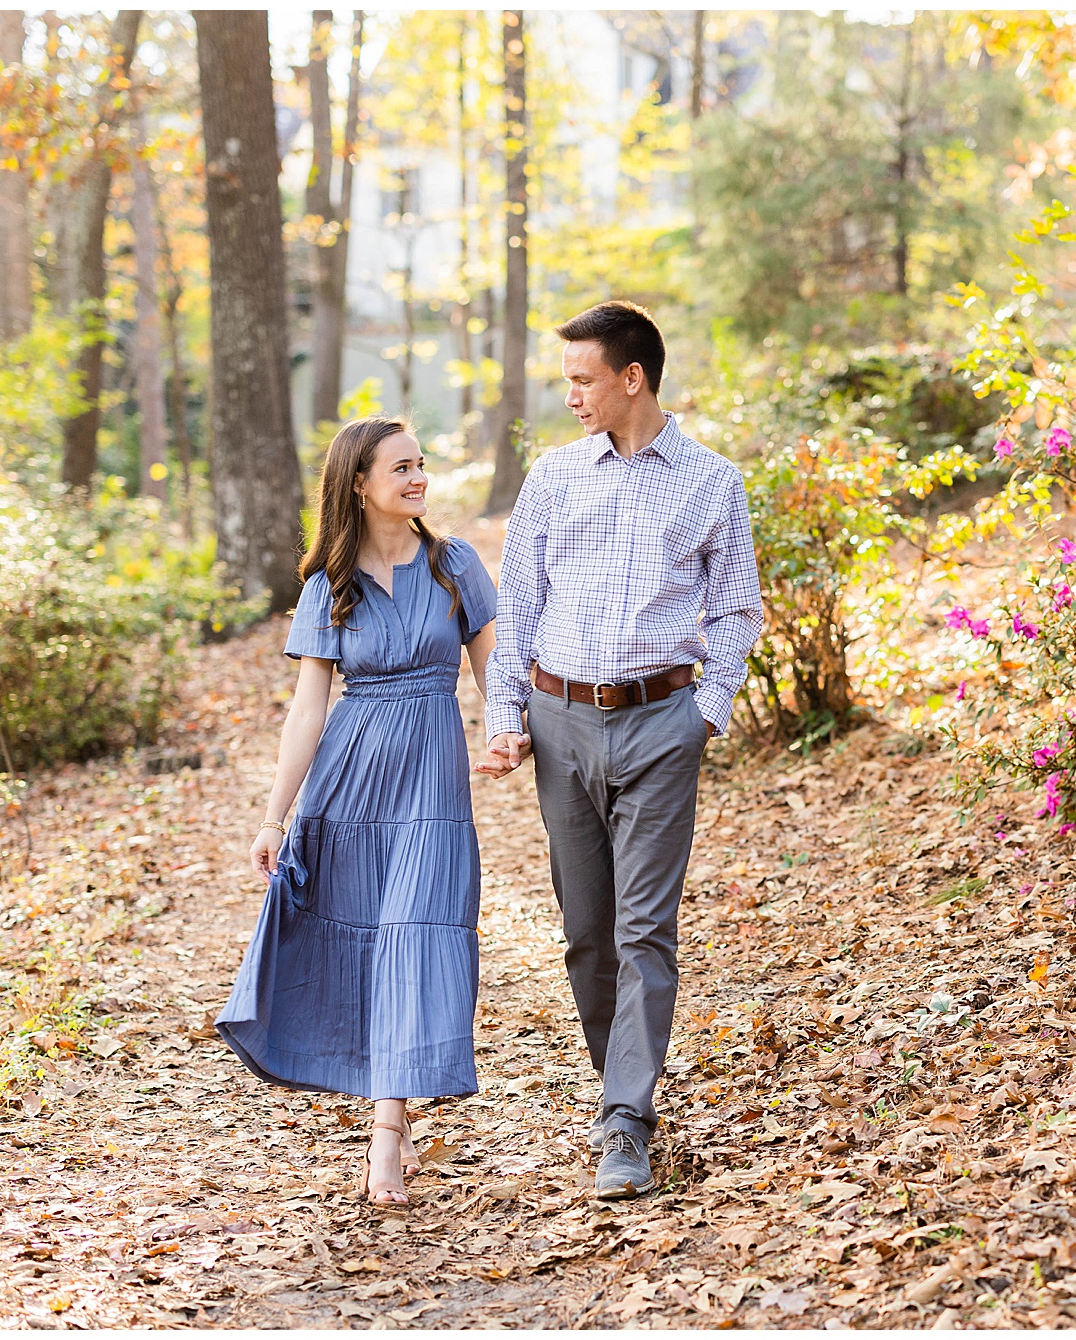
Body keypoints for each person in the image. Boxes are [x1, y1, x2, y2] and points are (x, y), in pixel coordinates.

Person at [477, 300, 764, 1199]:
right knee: (585, 935)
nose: (570, 395)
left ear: (631, 378)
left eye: (582, 379)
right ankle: (621, 1083)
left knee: (645, 929)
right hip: (561, 728)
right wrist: (503, 716)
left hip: (659, 724)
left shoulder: (713, 483)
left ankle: (625, 1123)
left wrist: (703, 715)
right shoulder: (554, 477)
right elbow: (515, 605)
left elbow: (737, 609)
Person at [217, 416, 501, 1207]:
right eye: (401, 467)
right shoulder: (327, 588)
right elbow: (308, 709)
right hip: (348, 783)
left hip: (431, 786)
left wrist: (512, 735)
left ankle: (386, 1124)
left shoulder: (455, 567)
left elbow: (495, 670)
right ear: (359, 484)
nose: (418, 479)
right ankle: (387, 1110)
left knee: (415, 933)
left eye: (422, 463)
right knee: (367, 938)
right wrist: (274, 819)